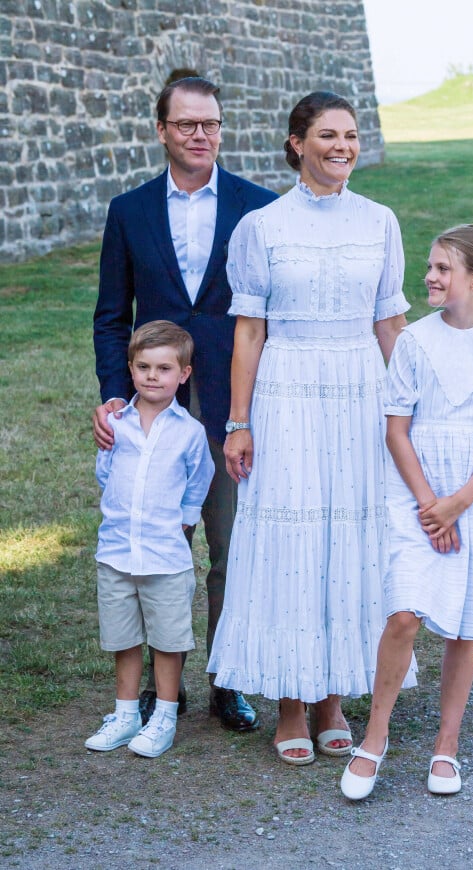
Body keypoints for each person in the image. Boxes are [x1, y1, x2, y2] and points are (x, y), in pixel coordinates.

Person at [207, 91, 417, 766]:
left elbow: (391, 323)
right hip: (288, 388)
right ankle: (292, 702)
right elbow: (248, 331)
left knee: (351, 535)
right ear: (297, 143)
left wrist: (410, 408)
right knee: (291, 535)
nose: (344, 147)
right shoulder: (262, 226)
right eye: (329, 135)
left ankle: (335, 697)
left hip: (360, 387)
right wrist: (239, 421)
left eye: (351, 136)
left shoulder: (380, 221)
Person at [92, 75, 277, 731]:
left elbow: (272, 315)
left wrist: (255, 410)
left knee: (230, 545)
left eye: (212, 124)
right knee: (157, 542)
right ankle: (152, 684)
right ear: (163, 129)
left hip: (235, 402)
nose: (202, 135)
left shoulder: (259, 208)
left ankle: (227, 678)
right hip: (155, 408)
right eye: (188, 124)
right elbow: (112, 316)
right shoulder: (130, 210)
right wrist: (116, 395)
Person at [340, 224, 473, 799]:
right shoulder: (415, 343)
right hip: (415, 492)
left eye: (444, 269)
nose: (429, 276)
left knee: (464, 625)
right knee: (405, 613)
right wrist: (430, 506)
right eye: (429, 266)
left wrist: (457, 505)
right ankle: (373, 739)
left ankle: (445, 746)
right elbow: (396, 430)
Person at [85, 321, 215, 757]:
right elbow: (106, 475)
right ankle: (125, 715)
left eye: (163, 368)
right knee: (123, 638)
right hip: (118, 551)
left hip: (165, 557)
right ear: (131, 368)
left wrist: (185, 519)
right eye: (143, 367)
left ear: (184, 374)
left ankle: (163, 715)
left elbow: (199, 479)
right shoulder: (116, 424)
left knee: (167, 640)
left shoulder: (189, 432)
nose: (152, 376)